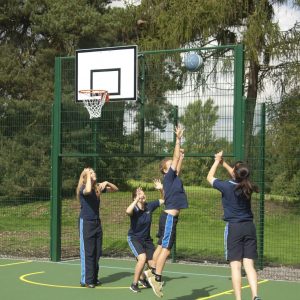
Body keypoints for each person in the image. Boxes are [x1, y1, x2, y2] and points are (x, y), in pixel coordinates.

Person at [206, 151, 261, 300]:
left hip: (235, 228)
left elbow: (209, 177)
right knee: (249, 266)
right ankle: (255, 296)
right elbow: (238, 174)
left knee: (236, 266)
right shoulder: (248, 186)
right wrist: (224, 163)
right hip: (249, 227)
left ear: (234, 173)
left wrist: (217, 161)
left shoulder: (226, 186)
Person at [145, 125, 188, 298]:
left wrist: (181, 157)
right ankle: (156, 276)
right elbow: (175, 157)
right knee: (167, 249)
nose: (174, 164)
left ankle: (151, 269)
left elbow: (178, 162)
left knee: (162, 245)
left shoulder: (172, 178)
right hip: (169, 217)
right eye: (170, 164)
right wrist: (178, 139)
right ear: (165, 170)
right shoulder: (169, 176)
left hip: (167, 217)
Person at [76, 167, 118, 288]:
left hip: (96, 223)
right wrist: (87, 174)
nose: (94, 173)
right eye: (91, 173)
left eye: (93, 172)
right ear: (85, 177)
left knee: (97, 252)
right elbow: (88, 190)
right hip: (86, 223)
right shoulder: (83, 188)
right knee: (88, 252)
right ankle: (86, 280)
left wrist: (107, 183)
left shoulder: (97, 188)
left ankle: (94, 278)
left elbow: (116, 189)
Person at [126, 180, 164, 293]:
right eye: (138, 193)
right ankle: (134, 284)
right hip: (134, 238)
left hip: (146, 240)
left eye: (142, 192)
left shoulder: (149, 206)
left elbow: (164, 199)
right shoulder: (135, 209)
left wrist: (160, 189)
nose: (141, 194)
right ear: (135, 197)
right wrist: (136, 200)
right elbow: (127, 211)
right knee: (142, 259)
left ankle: (142, 277)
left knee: (154, 264)